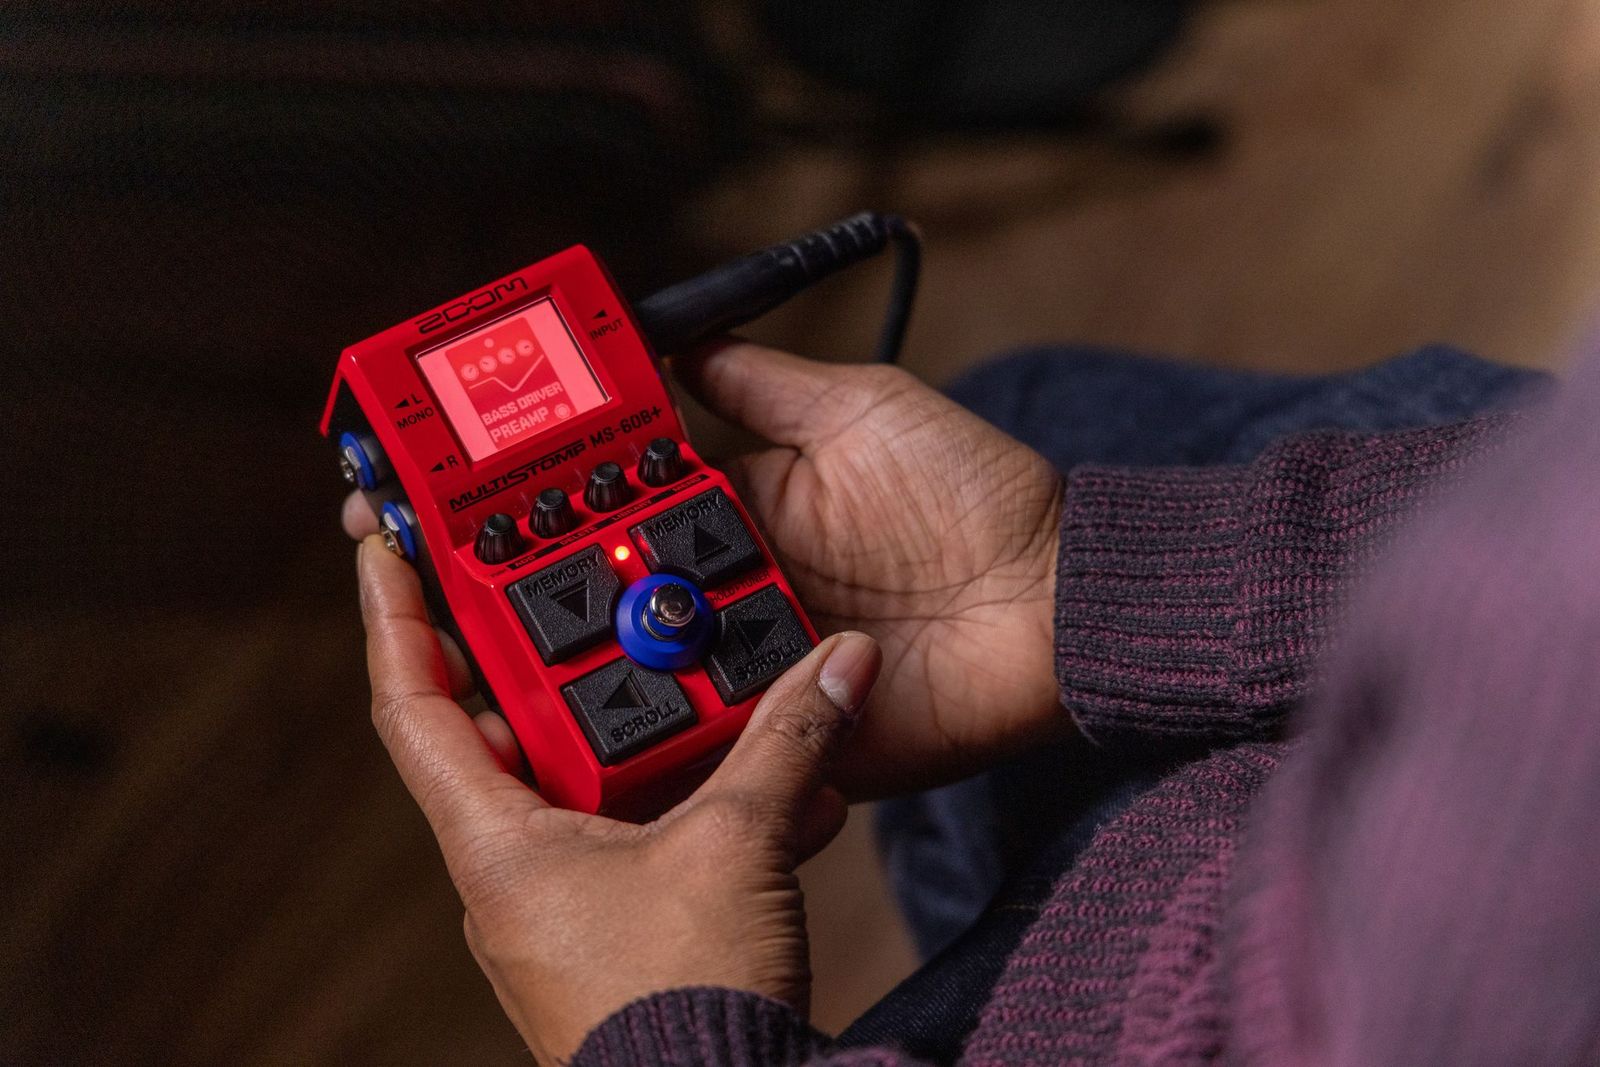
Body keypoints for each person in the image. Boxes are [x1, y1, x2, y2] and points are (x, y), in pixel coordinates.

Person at [342, 337, 1600, 1065]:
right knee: (1035, 408)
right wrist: (1081, 582)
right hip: (1287, 846)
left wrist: (653, 1030)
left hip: (1201, 970)